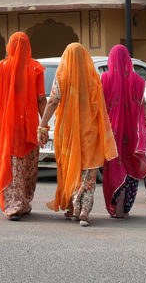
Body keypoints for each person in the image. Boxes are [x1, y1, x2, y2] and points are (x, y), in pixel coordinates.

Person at [37, 42, 117, 227]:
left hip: (68, 131)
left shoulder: (62, 75)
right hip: (90, 130)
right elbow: (99, 105)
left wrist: (42, 126)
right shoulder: (93, 77)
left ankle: (73, 209)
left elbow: (53, 101)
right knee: (88, 173)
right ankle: (83, 211)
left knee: (70, 167)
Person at [0, 32, 46, 220]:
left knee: (12, 164)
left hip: (8, 127)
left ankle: (13, 205)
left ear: (10, 45)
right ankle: (23, 202)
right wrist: (44, 124)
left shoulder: (1, 67)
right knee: (27, 165)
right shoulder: (35, 68)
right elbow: (41, 99)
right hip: (30, 126)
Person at [100, 44, 146, 219]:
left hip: (111, 133)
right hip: (131, 133)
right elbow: (143, 105)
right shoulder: (137, 81)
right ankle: (125, 205)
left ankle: (116, 202)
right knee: (129, 166)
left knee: (113, 167)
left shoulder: (104, 79)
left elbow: (99, 106)